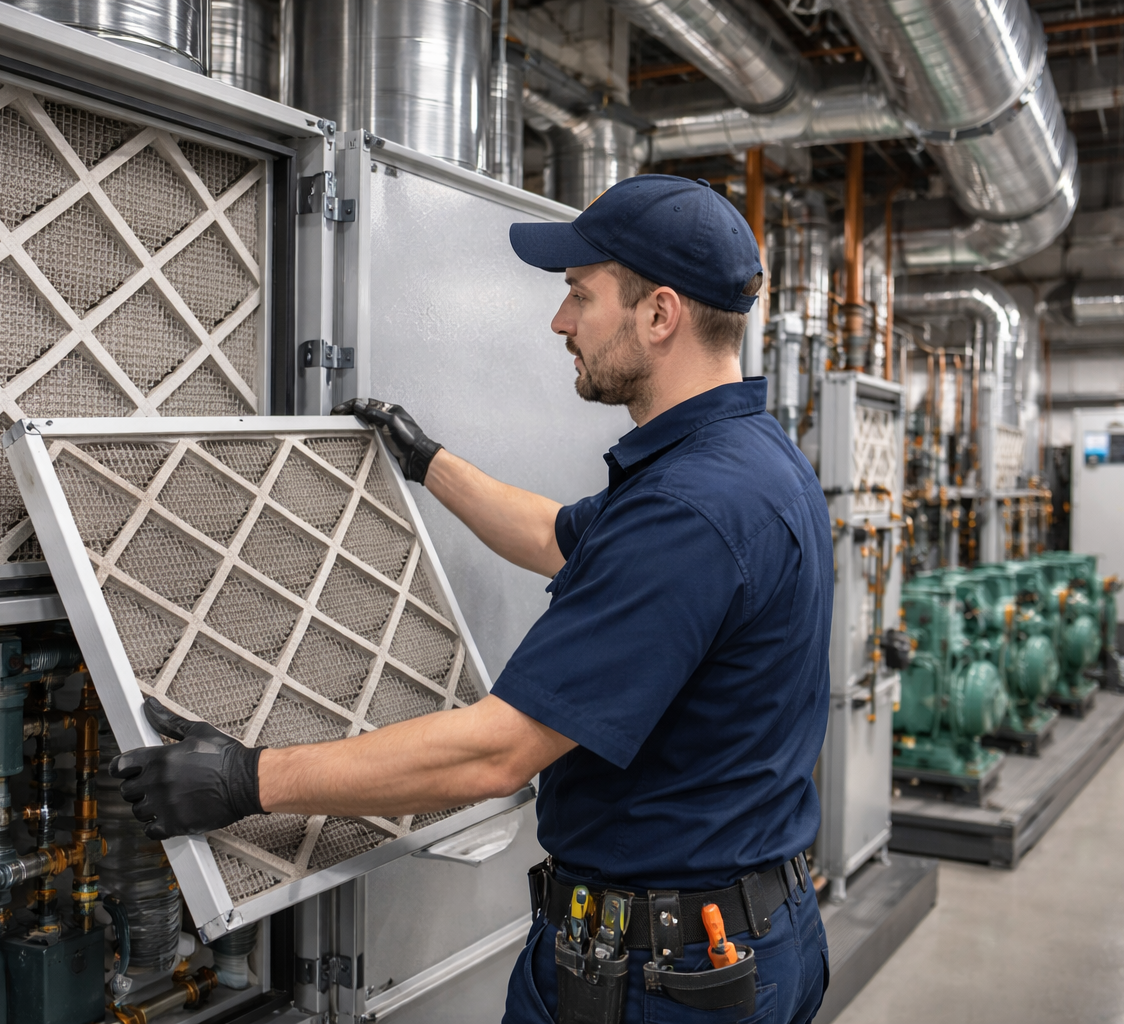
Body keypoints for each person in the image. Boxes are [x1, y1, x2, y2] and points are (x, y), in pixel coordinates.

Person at [112, 174, 833, 1024]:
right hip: (740, 936)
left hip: (662, 979)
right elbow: (552, 533)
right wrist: (426, 461)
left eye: (579, 295)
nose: (561, 323)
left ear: (660, 314)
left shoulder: (688, 513)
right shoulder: (743, 462)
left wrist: (247, 777)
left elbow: (497, 753)